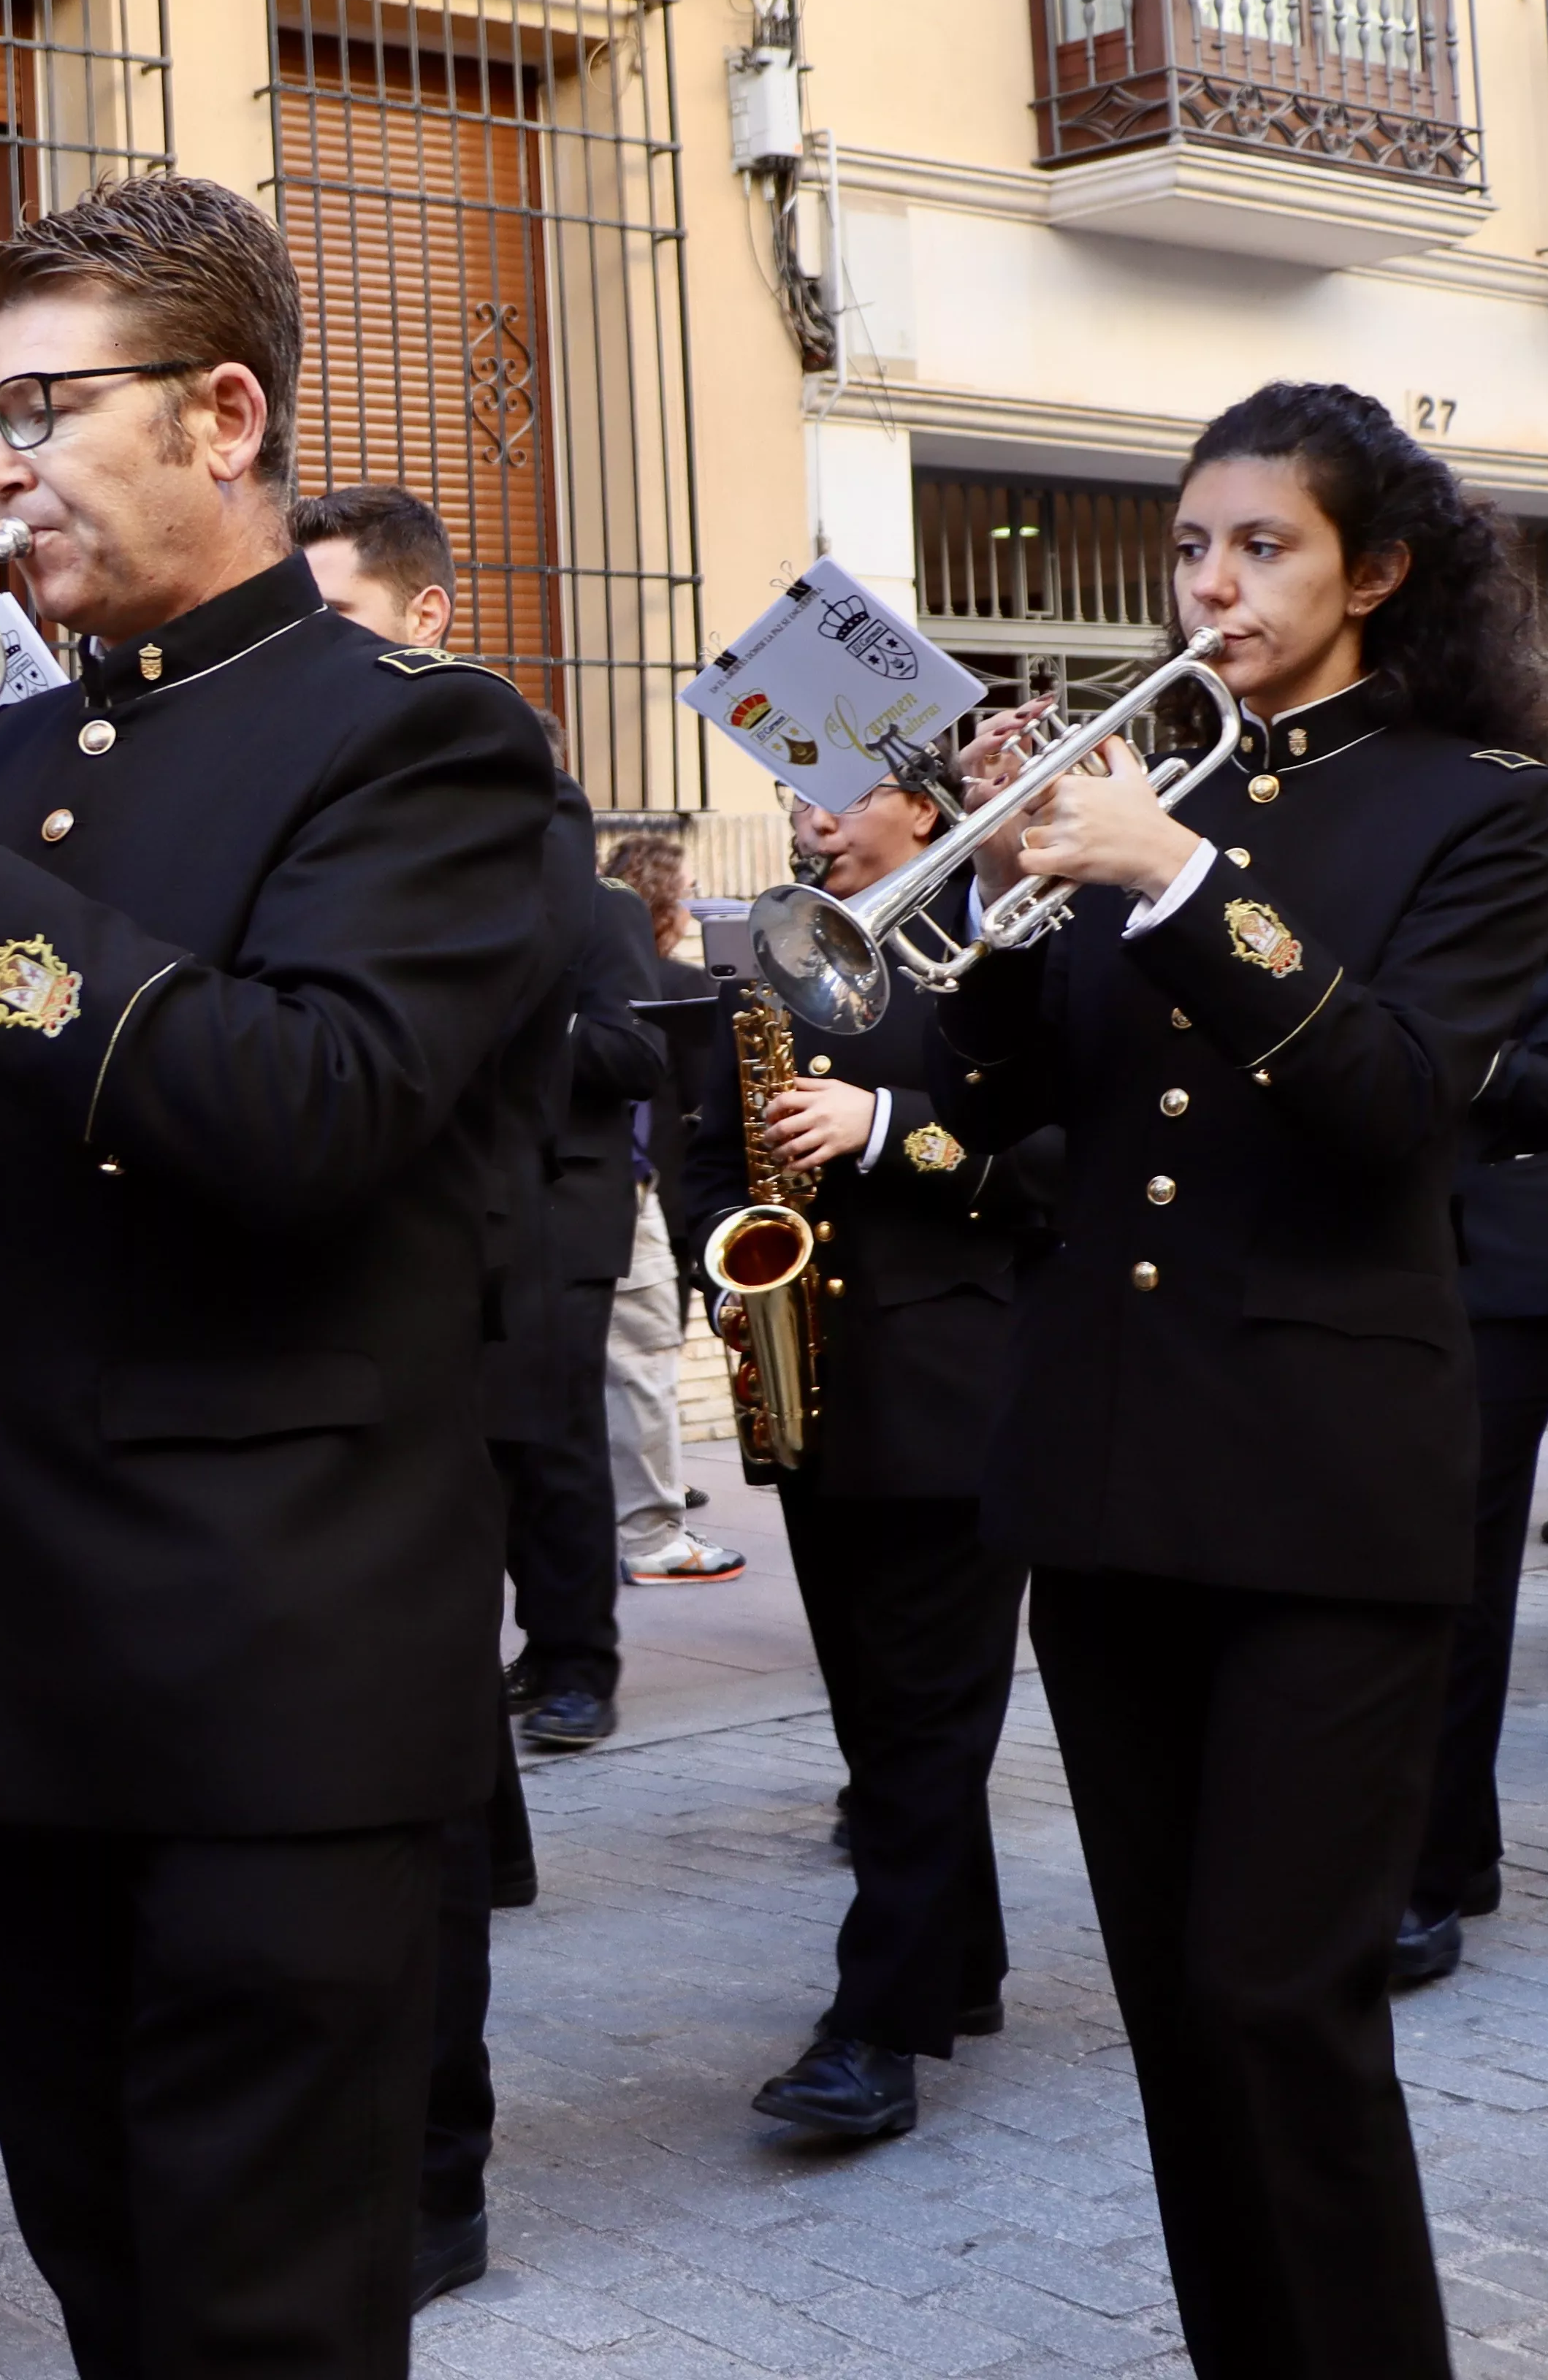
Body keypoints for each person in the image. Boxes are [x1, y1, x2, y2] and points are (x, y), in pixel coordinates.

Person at [0, 175, 552, 2378]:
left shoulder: (409, 734)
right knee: (113, 2286)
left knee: (261, 2312)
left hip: (260, 1664)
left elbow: (314, 1106)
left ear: (221, 412)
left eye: (44, 406)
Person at [941, 379, 1548, 2370]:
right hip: (1115, 1460)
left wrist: (1179, 885)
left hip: (1324, 1479)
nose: (1210, 584)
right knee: (1172, 2005)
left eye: (1263, 545)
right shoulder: (1162, 792)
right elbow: (1006, 1102)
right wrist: (984, 892)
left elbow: (1390, 1106)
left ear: (1376, 571)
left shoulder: (1478, 808)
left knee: (1278, 1998)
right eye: (1193, 545)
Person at [290, 479, 570, 2313]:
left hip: (446, 1316)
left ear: (423, 615)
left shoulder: (488, 787)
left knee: (424, 1781)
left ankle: (439, 2167)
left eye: (334, 617)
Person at [678, 771, 1042, 2142]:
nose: (808, 815)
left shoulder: (1004, 948)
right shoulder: (768, 962)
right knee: (883, 1713)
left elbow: (1054, 1165)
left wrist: (885, 1132)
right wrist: (723, 1260)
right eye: (790, 790)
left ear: (926, 804)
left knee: (928, 1720)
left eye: (840, 792)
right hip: (817, 1390)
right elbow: (708, 1163)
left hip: (961, 1385)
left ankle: (875, 2033)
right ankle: (968, 1965)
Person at [1393, 888, 1548, 1994]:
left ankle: (1426, 1876)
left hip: (1498, 1268)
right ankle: (1452, 1849)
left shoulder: (1524, 861)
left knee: (1457, 1582)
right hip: (1343, 1259)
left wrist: (1414, 1048)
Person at [507, 866, 674, 1747]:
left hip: (568, 1211)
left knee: (561, 1442)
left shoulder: (601, 904)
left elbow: (639, 1055)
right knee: (495, 1442)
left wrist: (527, 1020)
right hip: (480, 1201)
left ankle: (581, 1666)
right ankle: (542, 1645)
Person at [603, 830, 740, 1589]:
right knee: (645, 1362)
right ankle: (651, 1526)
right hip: (656, 1191)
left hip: (645, 1188)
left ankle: (640, 1500)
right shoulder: (679, 983)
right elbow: (701, 1101)